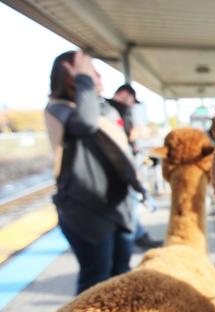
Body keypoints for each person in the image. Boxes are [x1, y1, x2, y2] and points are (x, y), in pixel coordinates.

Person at [44, 51, 146, 294]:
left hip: (117, 208)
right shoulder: (58, 110)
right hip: (86, 213)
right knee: (96, 281)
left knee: (121, 274)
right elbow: (86, 122)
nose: (97, 75)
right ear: (69, 73)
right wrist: (84, 78)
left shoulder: (101, 106)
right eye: (90, 68)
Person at [107, 84, 162, 249]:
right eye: (131, 100)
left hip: (123, 163)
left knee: (130, 200)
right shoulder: (114, 110)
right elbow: (127, 136)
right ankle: (134, 236)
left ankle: (137, 235)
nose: (131, 104)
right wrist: (133, 135)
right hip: (121, 165)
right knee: (129, 200)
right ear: (124, 94)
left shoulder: (111, 109)